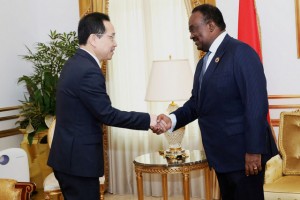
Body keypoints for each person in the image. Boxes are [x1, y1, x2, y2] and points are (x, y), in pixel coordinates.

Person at [155, 4, 278, 200]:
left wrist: (254, 151)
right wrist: (172, 119)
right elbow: (197, 103)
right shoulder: (203, 63)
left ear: (211, 25)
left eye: (193, 29)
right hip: (222, 157)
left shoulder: (241, 53)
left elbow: (256, 105)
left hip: (244, 157)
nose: (191, 35)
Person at [47, 12, 164, 200]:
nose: (115, 43)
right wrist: (149, 119)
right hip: (78, 163)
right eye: (111, 37)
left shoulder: (76, 62)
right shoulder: (88, 71)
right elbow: (107, 115)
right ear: (94, 39)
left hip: (69, 159)